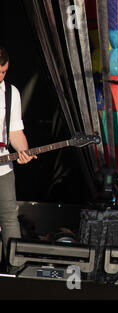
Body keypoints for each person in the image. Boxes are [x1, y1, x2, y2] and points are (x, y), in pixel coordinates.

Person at [0, 47, 36, 257]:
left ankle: (14, 269)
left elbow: (15, 131)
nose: (1, 77)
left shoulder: (11, 93)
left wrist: (24, 151)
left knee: (9, 218)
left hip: (3, 168)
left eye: (4, 72)